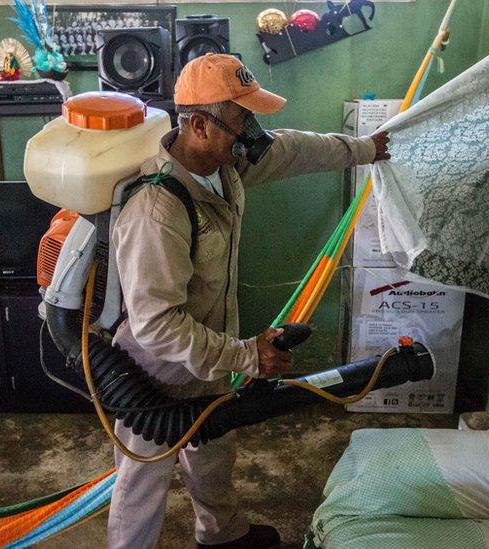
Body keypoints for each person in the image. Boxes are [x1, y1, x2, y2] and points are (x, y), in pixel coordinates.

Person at [107, 53, 390, 549]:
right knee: (141, 484)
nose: (253, 130)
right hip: (154, 373)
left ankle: (221, 535)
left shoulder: (226, 166)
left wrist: (364, 148)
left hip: (209, 355)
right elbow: (155, 326)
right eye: (242, 119)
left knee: (214, 452)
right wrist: (244, 354)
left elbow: (298, 149)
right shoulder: (157, 208)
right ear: (199, 124)